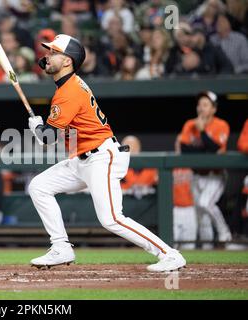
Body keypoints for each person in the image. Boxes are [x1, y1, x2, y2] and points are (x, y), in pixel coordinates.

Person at [27, 34, 186, 271]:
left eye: (54, 52)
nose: (47, 56)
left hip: (101, 157)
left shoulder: (69, 91)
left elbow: (47, 138)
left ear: (68, 61)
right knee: (39, 186)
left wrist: (37, 127)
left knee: (111, 218)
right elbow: (53, 135)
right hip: (82, 159)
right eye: (48, 52)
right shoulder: (69, 85)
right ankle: (61, 247)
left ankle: (169, 254)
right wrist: (41, 129)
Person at [179, 91, 232, 247]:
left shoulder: (221, 125)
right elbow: (184, 149)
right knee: (201, 216)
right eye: (199, 105)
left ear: (213, 109)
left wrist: (202, 132)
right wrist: (204, 146)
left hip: (215, 174)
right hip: (197, 175)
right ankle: (207, 248)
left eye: (205, 105)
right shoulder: (190, 124)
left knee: (205, 203)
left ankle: (224, 232)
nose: (201, 108)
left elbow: (215, 149)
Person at [172, 135, 197, 250]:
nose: (181, 145)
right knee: (172, 244)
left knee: (189, 245)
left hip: (191, 209)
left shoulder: (194, 162)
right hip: (174, 209)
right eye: (179, 143)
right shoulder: (170, 162)